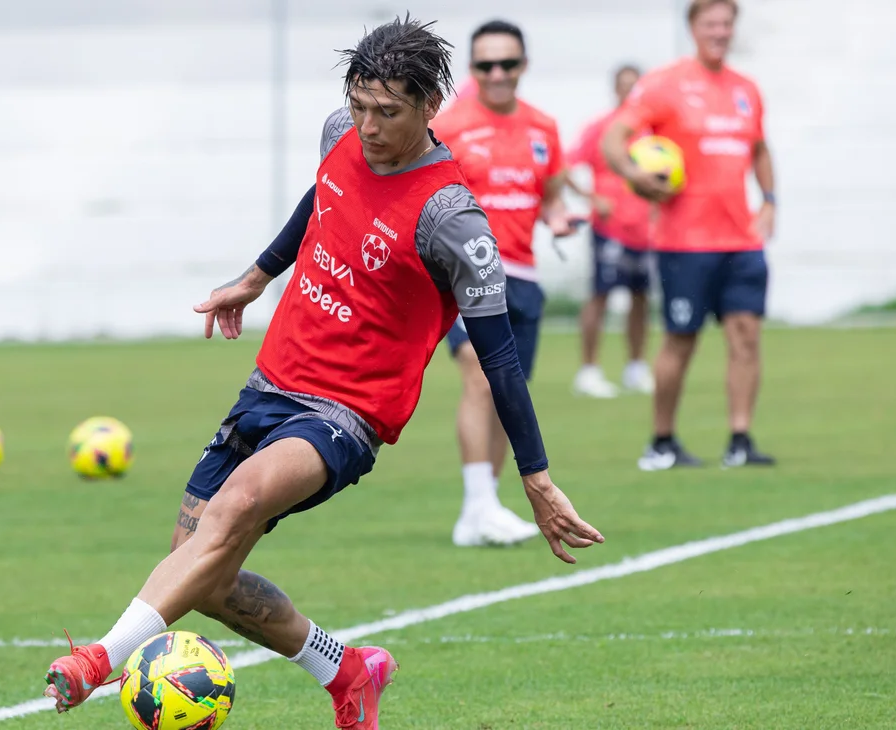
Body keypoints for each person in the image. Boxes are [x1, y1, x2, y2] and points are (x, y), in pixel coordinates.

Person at [42, 17, 603, 730]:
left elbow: (499, 357)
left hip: (345, 412)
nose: (368, 127)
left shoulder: (452, 220)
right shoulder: (340, 131)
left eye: (388, 113)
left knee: (236, 507)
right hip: (271, 383)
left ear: (431, 106)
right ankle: (346, 669)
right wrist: (254, 278)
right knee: (201, 576)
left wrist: (537, 476)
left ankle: (99, 659)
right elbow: (322, 197)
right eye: (361, 106)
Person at [600, 0, 777, 469]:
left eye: (726, 23)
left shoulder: (746, 89)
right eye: (710, 23)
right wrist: (634, 177)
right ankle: (662, 441)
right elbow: (613, 140)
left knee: (746, 337)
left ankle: (740, 440)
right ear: (693, 28)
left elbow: (760, 149)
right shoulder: (664, 84)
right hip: (685, 243)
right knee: (681, 339)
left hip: (741, 241)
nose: (720, 31)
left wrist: (770, 201)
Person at [430, 19, 583, 547]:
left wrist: (559, 216)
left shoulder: (543, 126)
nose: (497, 74)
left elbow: (553, 195)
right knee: (478, 375)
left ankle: (485, 508)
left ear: (523, 66)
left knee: (506, 392)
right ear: (471, 69)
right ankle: (475, 505)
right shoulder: (446, 127)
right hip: (463, 275)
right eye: (485, 65)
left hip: (523, 275)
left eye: (508, 64)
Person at [565, 64, 656, 399]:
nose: (630, 93)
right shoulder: (601, 128)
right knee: (600, 295)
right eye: (624, 86)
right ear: (615, 89)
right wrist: (591, 198)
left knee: (641, 297)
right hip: (610, 228)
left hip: (645, 229)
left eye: (636, 87)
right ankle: (589, 369)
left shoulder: (651, 132)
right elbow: (563, 165)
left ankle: (636, 367)